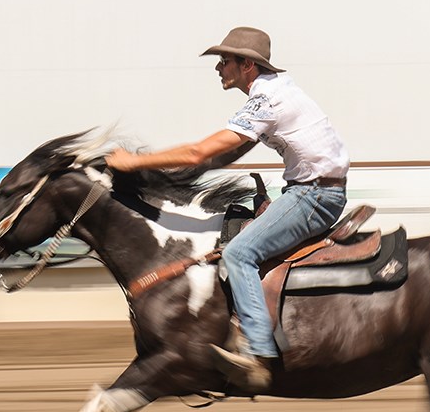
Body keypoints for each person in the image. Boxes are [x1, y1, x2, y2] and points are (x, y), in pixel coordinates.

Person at [106, 26, 349, 389]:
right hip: (309, 190)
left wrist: (133, 163)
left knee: (237, 254)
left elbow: (198, 152)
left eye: (225, 61)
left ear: (247, 66)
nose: (219, 68)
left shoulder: (268, 101)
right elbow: (220, 156)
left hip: (314, 196)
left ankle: (258, 354)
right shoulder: (273, 94)